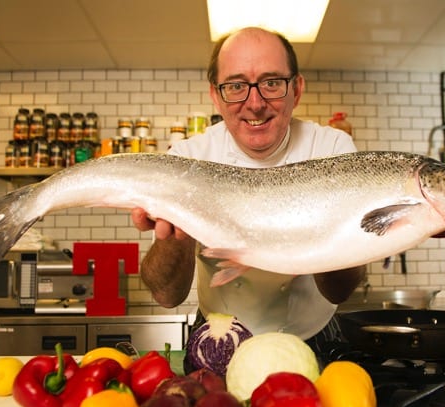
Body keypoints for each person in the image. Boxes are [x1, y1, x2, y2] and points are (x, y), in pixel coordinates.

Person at [131, 27, 366, 354]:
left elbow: (340, 291)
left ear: (296, 90)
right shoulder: (187, 158)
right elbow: (166, 296)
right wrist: (175, 235)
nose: (254, 104)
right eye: (236, 86)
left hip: (313, 337)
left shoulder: (331, 149)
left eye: (271, 83)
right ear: (215, 95)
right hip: (217, 334)